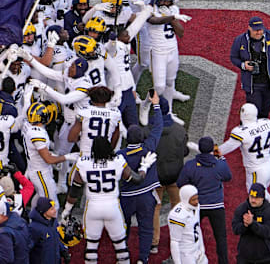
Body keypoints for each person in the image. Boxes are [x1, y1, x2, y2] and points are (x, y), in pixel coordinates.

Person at [62, 136, 157, 264]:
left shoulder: (84, 163)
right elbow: (137, 179)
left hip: (93, 208)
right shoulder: (117, 161)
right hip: (112, 207)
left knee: (91, 246)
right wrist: (144, 166)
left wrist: (67, 209)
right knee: (120, 246)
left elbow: (75, 190)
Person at [219, 103, 270, 236]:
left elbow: (228, 147)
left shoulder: (240, 132)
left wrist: (215, 152)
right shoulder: (267, 123)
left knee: (257, 195)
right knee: (263, 193)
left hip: (256, 171)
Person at [116, 91, 163, 264]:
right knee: (146, 228)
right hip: (145, 197)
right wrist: (156, 105)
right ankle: (142, 259)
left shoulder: (120, 155)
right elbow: (158, 128)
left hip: (127, 197)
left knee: (123, 228)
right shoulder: (149, 147)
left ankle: (123, 256)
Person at [178, 136, 232, 264]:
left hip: (198, 205)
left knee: (190, 234)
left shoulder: (190, 165)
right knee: (221, 238)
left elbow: (181, 183)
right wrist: (221, 158)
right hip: (216, 205)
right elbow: (228, 177)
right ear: (212, 149)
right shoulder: (219, 164)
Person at [230, 16, 270, 118]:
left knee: (266, 109)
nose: (259, 32)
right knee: (254, 110)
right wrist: (243, 65)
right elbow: (233, 57)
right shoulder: (240, 40)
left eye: (260, 29)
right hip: (253, 84)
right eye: (255, 30)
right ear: (249, 28)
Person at [151, 95, 188, 253]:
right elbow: (185, 151)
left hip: (157, 177)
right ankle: (179, 239)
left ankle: (154, 242)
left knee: (155, 208)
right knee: (179, 207)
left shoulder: (150, 131)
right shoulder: (179, 130)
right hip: (175, 175)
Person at [232, 183, 270, 263]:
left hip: (266, 258)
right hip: (245, 258)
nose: (253, 200)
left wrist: (252, 223)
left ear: (262, 198)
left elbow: (266, 232)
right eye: (251, 197)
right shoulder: (241, 209)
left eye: (256, 198)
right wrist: (245, 225)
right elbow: (235, 229)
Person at [168, 184, 208, 264]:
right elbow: (174, 242)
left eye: (197, 198)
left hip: (195, 247)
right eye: (193, 200)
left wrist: (202, 248)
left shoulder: (196, 208)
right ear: (186, 199)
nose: (196, 202)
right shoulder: (178, 216)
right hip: (186, 253)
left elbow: (198, 228)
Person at [0, 199, 33, 263]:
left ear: (3, 214)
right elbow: (30, 244)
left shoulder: (4, 233)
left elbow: (5, 259)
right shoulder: (22, 222)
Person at [28, 197, 66, 264]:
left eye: (54, 207)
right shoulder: (34, 228)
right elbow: (28, 248)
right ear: (44, 212)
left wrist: (63, 250)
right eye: (51, 209)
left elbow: (57, 238)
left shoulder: (54, 223)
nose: (55, 210)